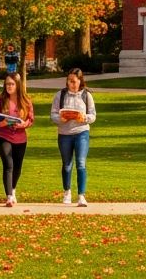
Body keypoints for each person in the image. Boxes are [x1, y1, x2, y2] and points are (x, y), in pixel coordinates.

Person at [51, 68, 96, 206]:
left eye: (74, 81)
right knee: (67, 164)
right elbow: (53, 115)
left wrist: (84, 118)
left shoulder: (86, 95)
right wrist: (61, 119)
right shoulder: (60, 95)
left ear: (80, 81)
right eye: (69, 81)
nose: (71, 84)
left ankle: (81, 196)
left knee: (81, 163)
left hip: (81, 132)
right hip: (65, 134)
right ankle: (67, 192)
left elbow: (93, 115)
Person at [0, 72, 34, 206]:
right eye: (7, 84)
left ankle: (13, 189)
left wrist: (24, 124)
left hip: (20, 138)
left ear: (18, 85)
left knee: (17, 166)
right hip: (3, 135)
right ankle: (9, 196)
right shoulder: (0, 100)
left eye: (12, 84)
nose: (9, 86)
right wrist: (0, 123)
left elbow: (30, 119)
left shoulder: (26, 101)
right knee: (8, 164)